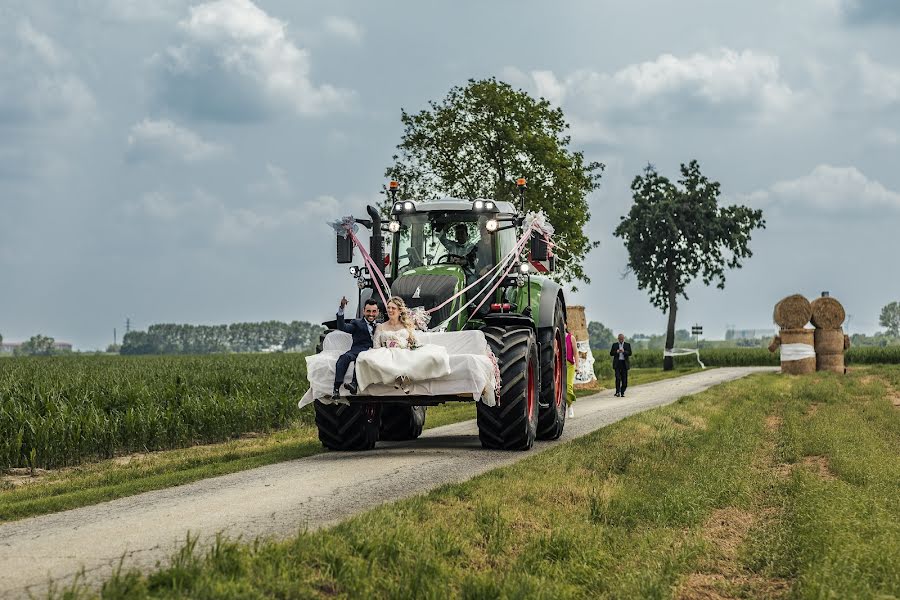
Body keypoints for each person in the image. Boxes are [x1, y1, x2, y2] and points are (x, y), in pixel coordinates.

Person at [355, 296, 451, 393]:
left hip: (404, 351)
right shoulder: (380, 327)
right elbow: (376, 346)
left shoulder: (407, 325)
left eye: (393, 308)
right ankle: (399, 378)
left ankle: (402, 378)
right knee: (364, 358)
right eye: (388, 308)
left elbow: (416, 342)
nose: (390, 310)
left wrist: (409, 346)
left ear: (400, 311)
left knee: (430, 355)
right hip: (387, 353)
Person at [332, 296, 379, 398]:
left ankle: (354, 383)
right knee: (344, 358)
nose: (371, 314)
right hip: (357, 350)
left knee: (361, 359)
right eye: (368, 311)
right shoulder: (357, 323)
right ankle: (336, 388)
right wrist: (341, 308)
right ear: (363, 311)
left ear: (378, 312)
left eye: (374, 311)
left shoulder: (381, 325)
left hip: (374, 352)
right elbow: (343, 327)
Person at [565, 329, 577, 417]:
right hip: (560, 365)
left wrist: (578, 366)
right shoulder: (555, 337)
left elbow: (576, 353)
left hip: (570, 365)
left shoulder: (571, 337)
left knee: (569, 387)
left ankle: (570, 407)